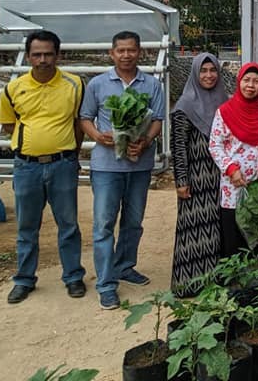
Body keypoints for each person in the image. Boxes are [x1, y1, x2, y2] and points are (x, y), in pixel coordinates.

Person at [0, 30, 86, 304]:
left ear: (58, 55)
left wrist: (71, 154)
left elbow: (78, 123)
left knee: (68, 224)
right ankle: (24, 280)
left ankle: (73, 277)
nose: (43, 60)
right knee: (27, 227)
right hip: (27, 167)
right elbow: (9, 124)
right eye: (37, 54)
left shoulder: (74, 85)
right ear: (28, 56)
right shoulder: (13, 89)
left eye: (48, 54)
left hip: (62, 165)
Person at [79, 31, 165, 310]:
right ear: (112, 53)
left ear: (140, 52)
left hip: (139, 166)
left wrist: (146, 141)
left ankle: (125, 266)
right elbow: (85, 117)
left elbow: (158, 119)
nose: (126, 55)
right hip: (106, 166)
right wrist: (98, 136)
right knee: (104, 224)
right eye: (121, 50)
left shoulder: (152, 84)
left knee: (133, 221)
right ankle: (106, 284)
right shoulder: (98, 84)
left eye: (132, 50)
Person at [170, 52, 229, 295]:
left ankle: (213, 282)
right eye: (203, 71)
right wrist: (181, 180)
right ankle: (188, 284)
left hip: (219, 177)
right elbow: (178, 147)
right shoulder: (185, 106)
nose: (208, 75)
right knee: (193, 229)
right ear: (195, 73)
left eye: (212, 70)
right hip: (195, 178)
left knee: (216, 230)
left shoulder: (224, 102)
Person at [209, 62, 258, 257]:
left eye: (256, 81)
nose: (250, 86)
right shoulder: (225, 111)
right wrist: (231, 169)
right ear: (239, 82)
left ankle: (255, 283)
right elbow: (215, 145)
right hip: (234, 186)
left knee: (257, 236)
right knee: (234, 237)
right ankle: (235, 285)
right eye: (246, 80)